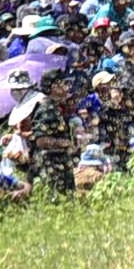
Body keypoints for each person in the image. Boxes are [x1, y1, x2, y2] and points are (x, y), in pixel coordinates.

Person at [29, 67, 78, 195]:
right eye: (63, 83)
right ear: (53, 87)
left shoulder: (56, 107)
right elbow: (41, 141)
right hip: (51, 165)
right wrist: (65, 143)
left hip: (60, 162)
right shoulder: (47, 109)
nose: (67, 87)